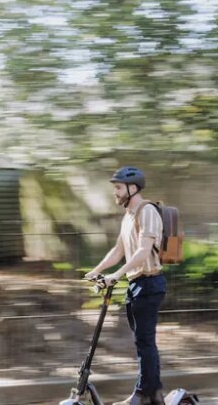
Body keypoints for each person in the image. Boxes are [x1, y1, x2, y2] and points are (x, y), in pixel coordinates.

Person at [85, 166, 167, 405]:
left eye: (118, 188)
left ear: (133, 188)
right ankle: (155, 393)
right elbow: (119, 250)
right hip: (136, 285)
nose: (115, 193)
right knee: (144, 342)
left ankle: (143, 394)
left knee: (145, 342)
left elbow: (143, 251)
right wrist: (97, 270)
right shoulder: (128, 216)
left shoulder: (147, 211)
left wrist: (117, 274)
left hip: (150, 283)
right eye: (115, 189)